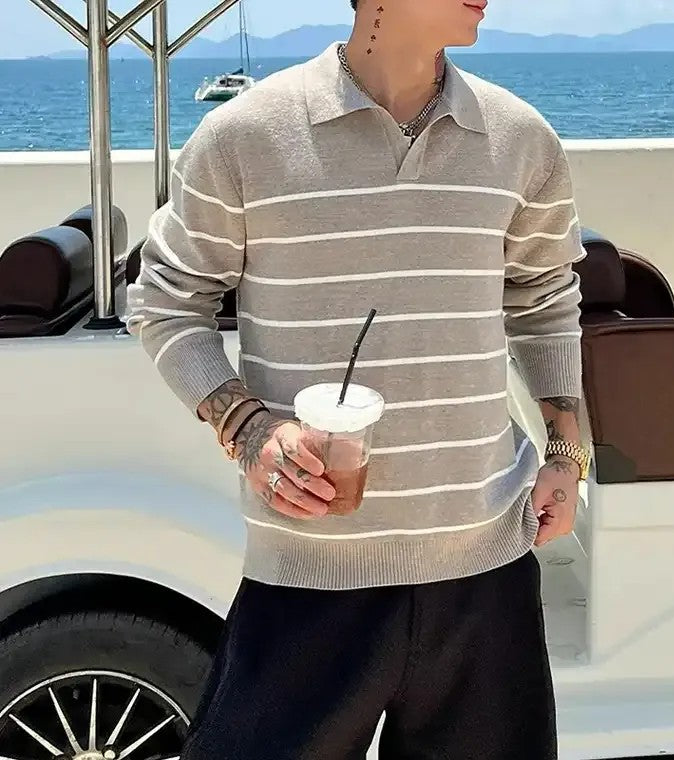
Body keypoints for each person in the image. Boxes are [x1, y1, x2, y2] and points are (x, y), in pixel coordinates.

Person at [126, 0, 589, 756]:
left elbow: (545, 300)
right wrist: (249, 429)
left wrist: (567, 454)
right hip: (307, 573)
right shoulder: (245, 135)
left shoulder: (521, 139)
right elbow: (166, 301)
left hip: (488, 573)